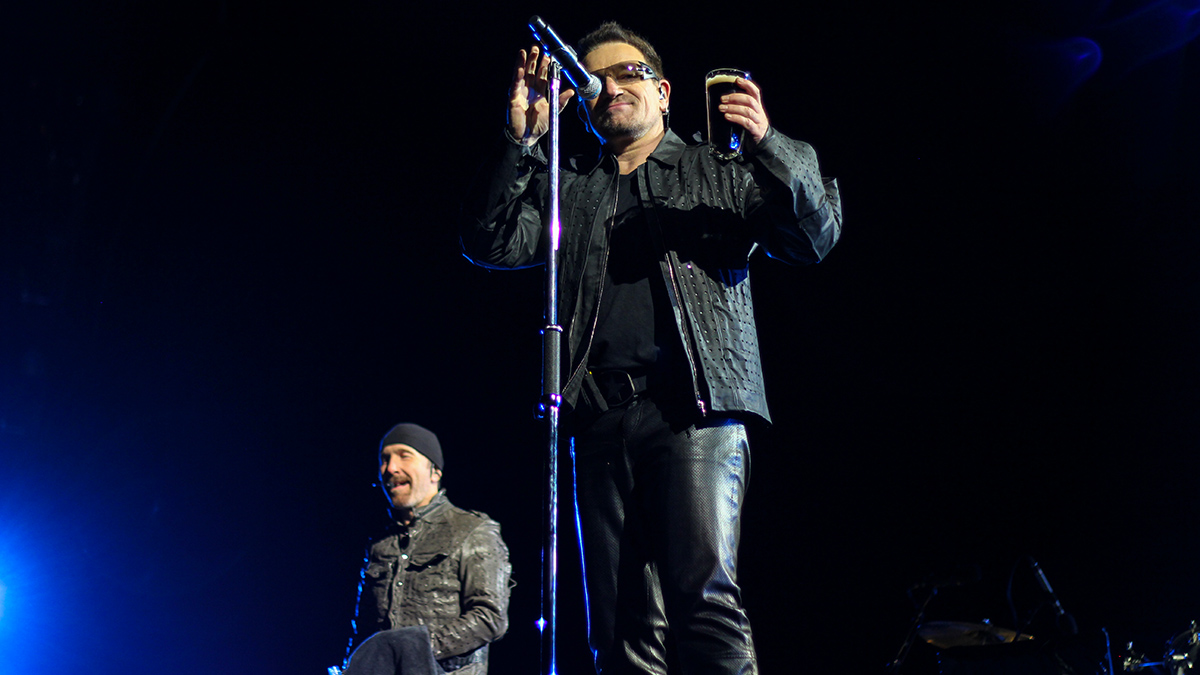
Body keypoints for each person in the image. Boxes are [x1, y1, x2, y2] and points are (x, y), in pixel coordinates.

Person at [459, 21, 841, 675]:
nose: (610, 88)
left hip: (694, 407)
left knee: (705, 606)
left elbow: (815, 236)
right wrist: (521, 141)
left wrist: (770, 144)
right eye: (592, 81)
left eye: (627, 74)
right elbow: (489, 242)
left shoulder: (716, 169)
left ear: (663, 92)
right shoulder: (570, 190)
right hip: (597, 418)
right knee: (619, 629)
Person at [338, 423, 512, 675]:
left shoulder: (472, 529)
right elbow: (364, 631)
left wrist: (414, 649)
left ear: (435, 471)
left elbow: (490, 618)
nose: (390, 468)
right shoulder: (379, 543)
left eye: (403, 456)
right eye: (384, 459)